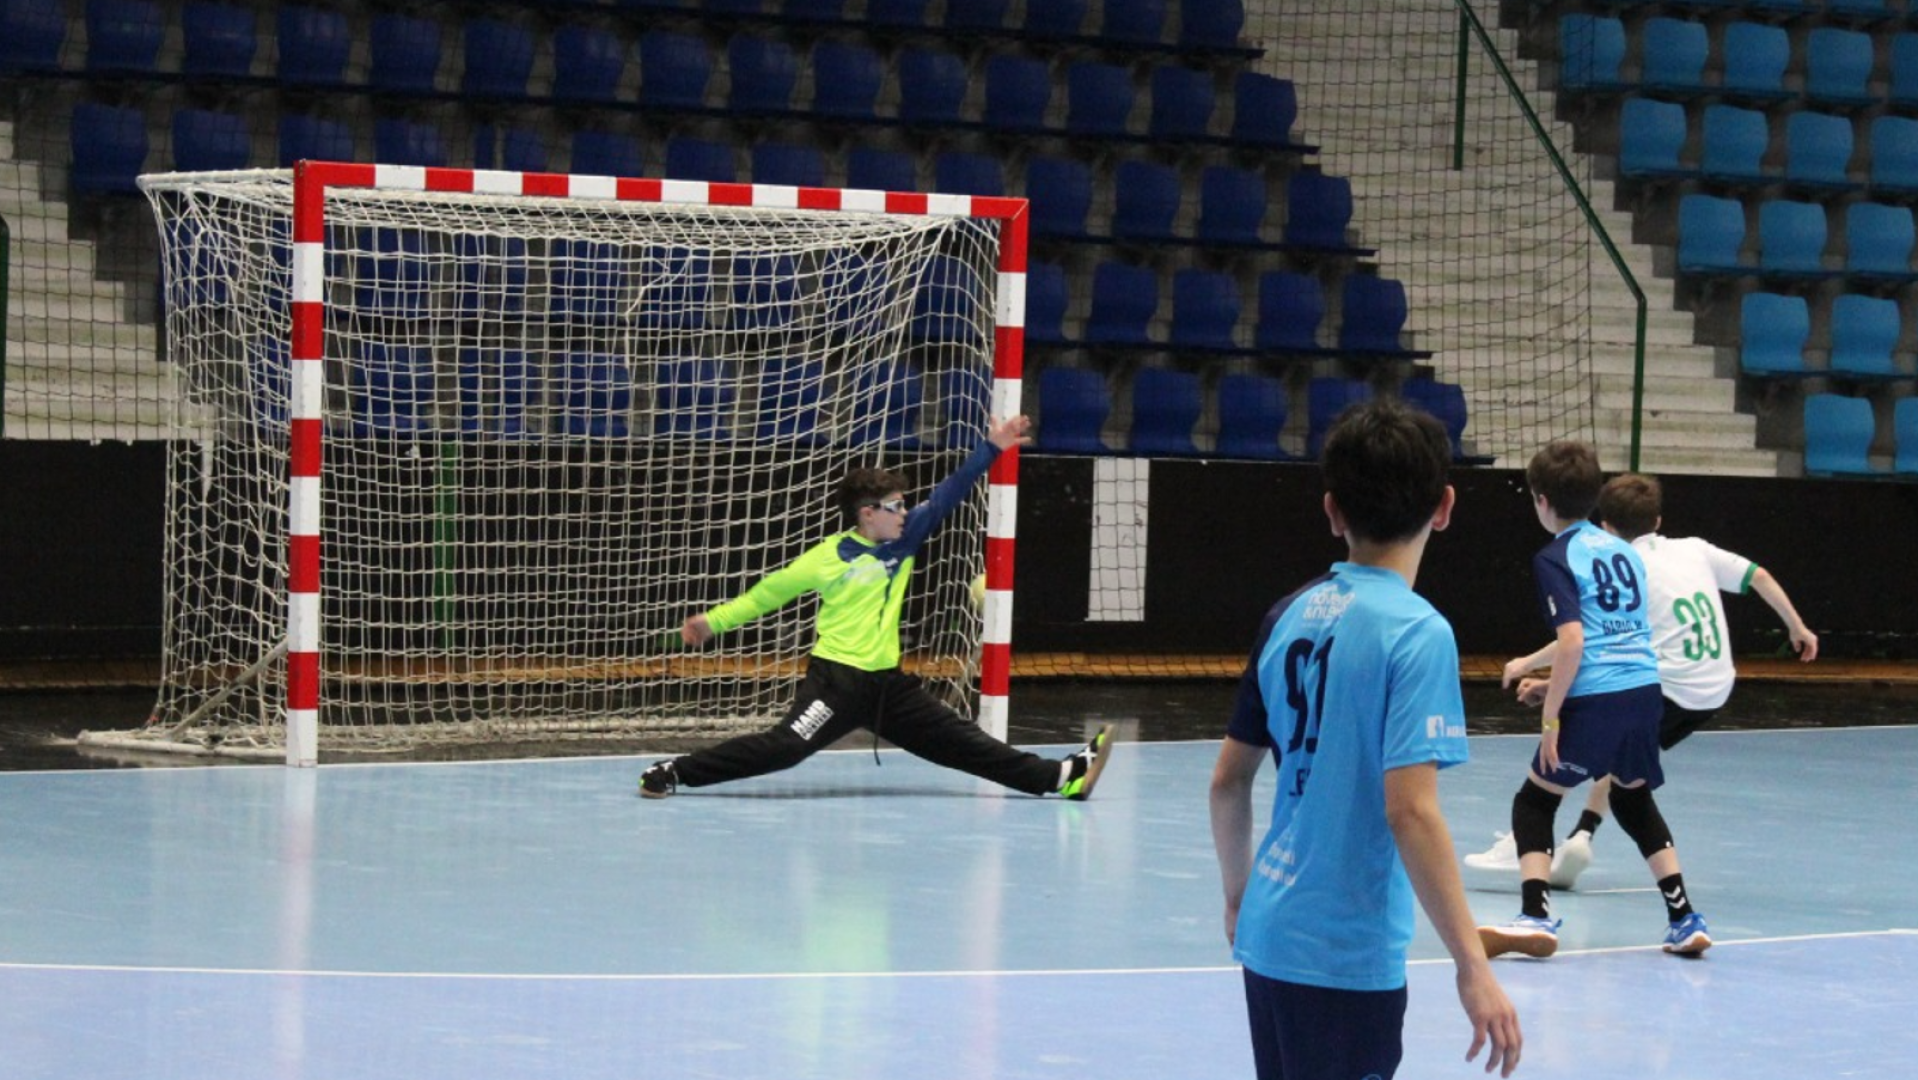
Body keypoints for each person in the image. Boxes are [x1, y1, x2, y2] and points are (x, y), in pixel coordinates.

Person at [1209, 399, 1521, 1080]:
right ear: (1444, 506)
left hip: (1269, 935)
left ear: (1332, 510)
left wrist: (1240, 896)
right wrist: (1473, 967)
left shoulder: (1286, 615)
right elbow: (1409, 809)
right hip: (1345, 955)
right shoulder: (1417, 632)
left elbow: (1227, 781)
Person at [638, 414, 1114, 801]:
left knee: (960, 742)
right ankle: (674, 771)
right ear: (868, 514)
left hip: (889, 687)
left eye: (904, 504)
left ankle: (1059, 777)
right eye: (895, 505)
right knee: (786, 748)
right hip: (837, 684)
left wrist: (993, 447)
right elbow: (766, 595)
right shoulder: (826, 559)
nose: (905, 512)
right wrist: (711, 622)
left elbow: (949, 493)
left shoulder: (903, 539)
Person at [1468, 472, 1819, 888]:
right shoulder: (1694, 549)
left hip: (1666, 685)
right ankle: (1582, 833)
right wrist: (1797, 627)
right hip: (1716, 686)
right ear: (1657, 521)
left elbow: (1584, 638)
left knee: (1587, 731)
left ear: (1605, 527)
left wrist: (1530, 666)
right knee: (1620, 752)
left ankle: (1530, 830)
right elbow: (1757, 576)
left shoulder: (1627, 566)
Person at [1476, 442, 1712, 960]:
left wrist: (1552, 713)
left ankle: (1535, 917)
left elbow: (1576, 640)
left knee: (1534, 800)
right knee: (1632, 798)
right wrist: (1557, 683)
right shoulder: (1622, 550)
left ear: (1540, 500)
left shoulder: (1554, 557)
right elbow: (1617, 632)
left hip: (1600, 696)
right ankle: (1683, 918)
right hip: (1645, 692)